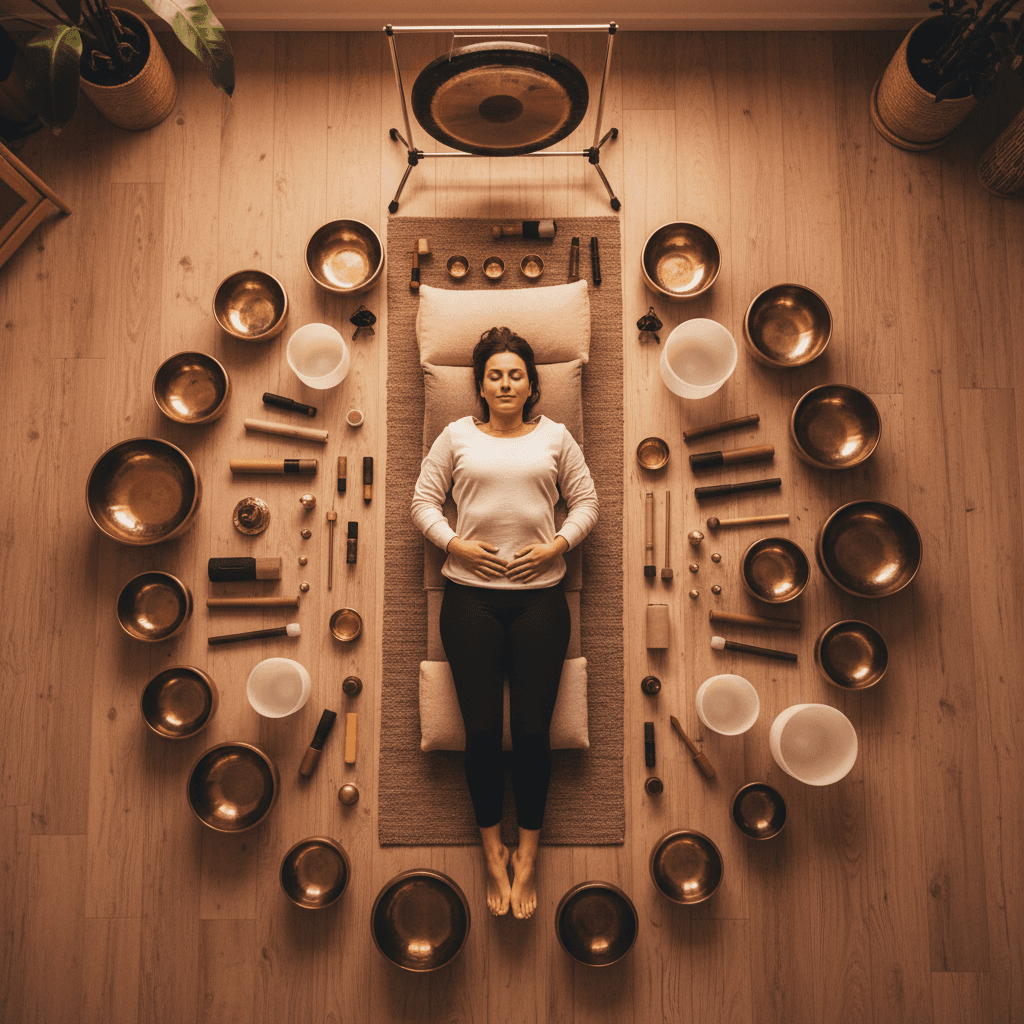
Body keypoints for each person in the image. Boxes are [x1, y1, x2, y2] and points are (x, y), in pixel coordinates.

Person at [411, 326, 599, 920]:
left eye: (516, 373)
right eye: (495, 374)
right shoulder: (455, 436)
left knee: (536, 733)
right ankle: (494, 851)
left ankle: (531, 851)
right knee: (485, 732)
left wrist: (558, 546)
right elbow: (421, 502)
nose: (506, 382)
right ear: (481, 386)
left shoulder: (557, 438)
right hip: (468, 600)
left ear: (532, 383)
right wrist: (455, 545)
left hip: (542, 599)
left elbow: (589, 502)